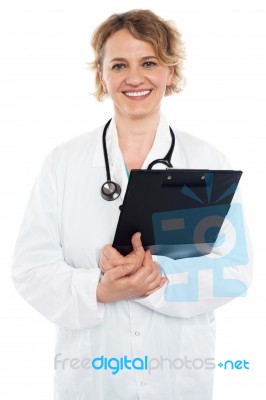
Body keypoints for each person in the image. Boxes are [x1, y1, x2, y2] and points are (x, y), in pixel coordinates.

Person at [12, 9, 252, 400]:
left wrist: (153, 282)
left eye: (149, 63)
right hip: (91, 377)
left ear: (169, 73)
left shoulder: (208, 160)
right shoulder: (63, 162)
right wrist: (100, 289)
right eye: (119, 64)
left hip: (177, 375)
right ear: (102, 76)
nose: (135, 78)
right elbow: (30, 269)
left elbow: (235, 268)